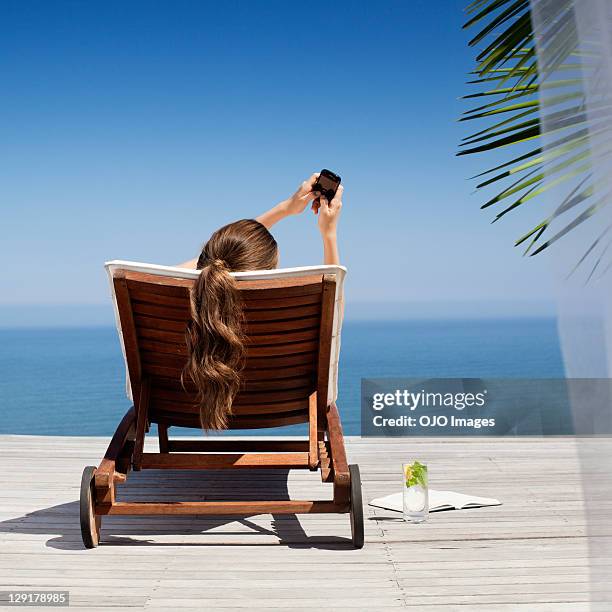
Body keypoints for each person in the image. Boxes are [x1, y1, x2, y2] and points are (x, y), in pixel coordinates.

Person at [178, 173, 343, 430]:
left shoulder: (171, 293)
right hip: (284, 407)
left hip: (182, 405)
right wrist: (328, 234)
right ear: (267, 270)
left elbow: (206, 264)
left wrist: (283, 209)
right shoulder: (288, 310)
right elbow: (336, 305)